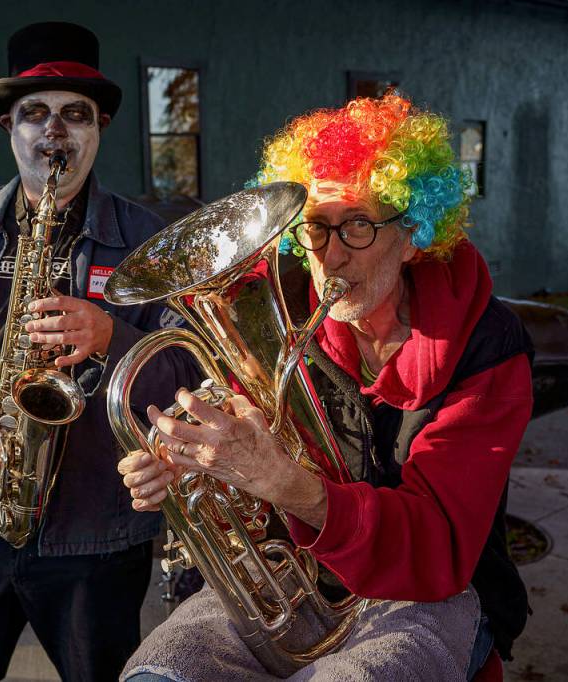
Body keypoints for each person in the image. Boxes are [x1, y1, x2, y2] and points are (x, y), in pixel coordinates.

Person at [119, 93, 534, 681]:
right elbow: (257, 501)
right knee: (157, 674)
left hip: (435, 590)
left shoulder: (487, 345)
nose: (331, 256)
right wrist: (199, 470)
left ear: (413, 233)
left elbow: (438, 549)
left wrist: (283, 482)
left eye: (359, 225)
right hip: (298, 576)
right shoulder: (283, 314)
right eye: (315, 227)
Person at [0, 21, 197, 682]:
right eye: (35, 114)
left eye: (75, 114)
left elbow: (193, 371)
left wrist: (115, 338)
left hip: (98, 531)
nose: (54, 130)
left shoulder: (149, 239)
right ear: (10, 128)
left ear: (101, 126)